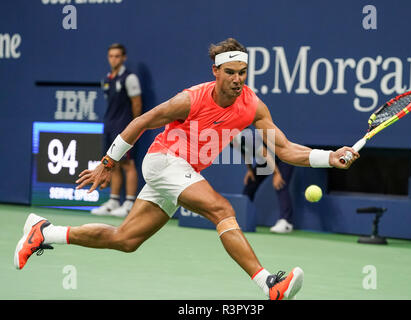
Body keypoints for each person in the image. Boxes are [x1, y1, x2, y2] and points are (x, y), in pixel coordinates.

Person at [14, 38, 359, 300]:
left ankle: (45, 232)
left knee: (126, 239)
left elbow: (284, 148)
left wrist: (328, 157)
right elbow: (142, 120)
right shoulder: (191, 99)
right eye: (230, 73)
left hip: (181, 171)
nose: (238, 80)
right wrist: (109, 161)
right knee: (222, 209)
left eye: (243, 73)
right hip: (164, 161)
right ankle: (270, 283)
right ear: (216, 71)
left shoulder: (252, 105)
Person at [92, 43, 143, 217]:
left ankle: (129, 203)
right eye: (111, 56)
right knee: (112, 163)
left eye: (117, 56)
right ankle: (114, 201)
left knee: (128, 164)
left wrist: (133, 127)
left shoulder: (130, 78)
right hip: (110, 126)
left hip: (125, 127)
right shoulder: (106, 79)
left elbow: (137, 104)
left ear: (123, 58)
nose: (114, 59)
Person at [231, 131, 295, 233]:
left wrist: (277, 173)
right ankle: (243, 218)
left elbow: (264, 152)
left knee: (280, 185)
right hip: (268, 159)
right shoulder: (231, 139)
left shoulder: (247, 137)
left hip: (283, 157)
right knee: (251, 184)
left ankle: (286, 222)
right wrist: (250, 170)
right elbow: (243, 152)